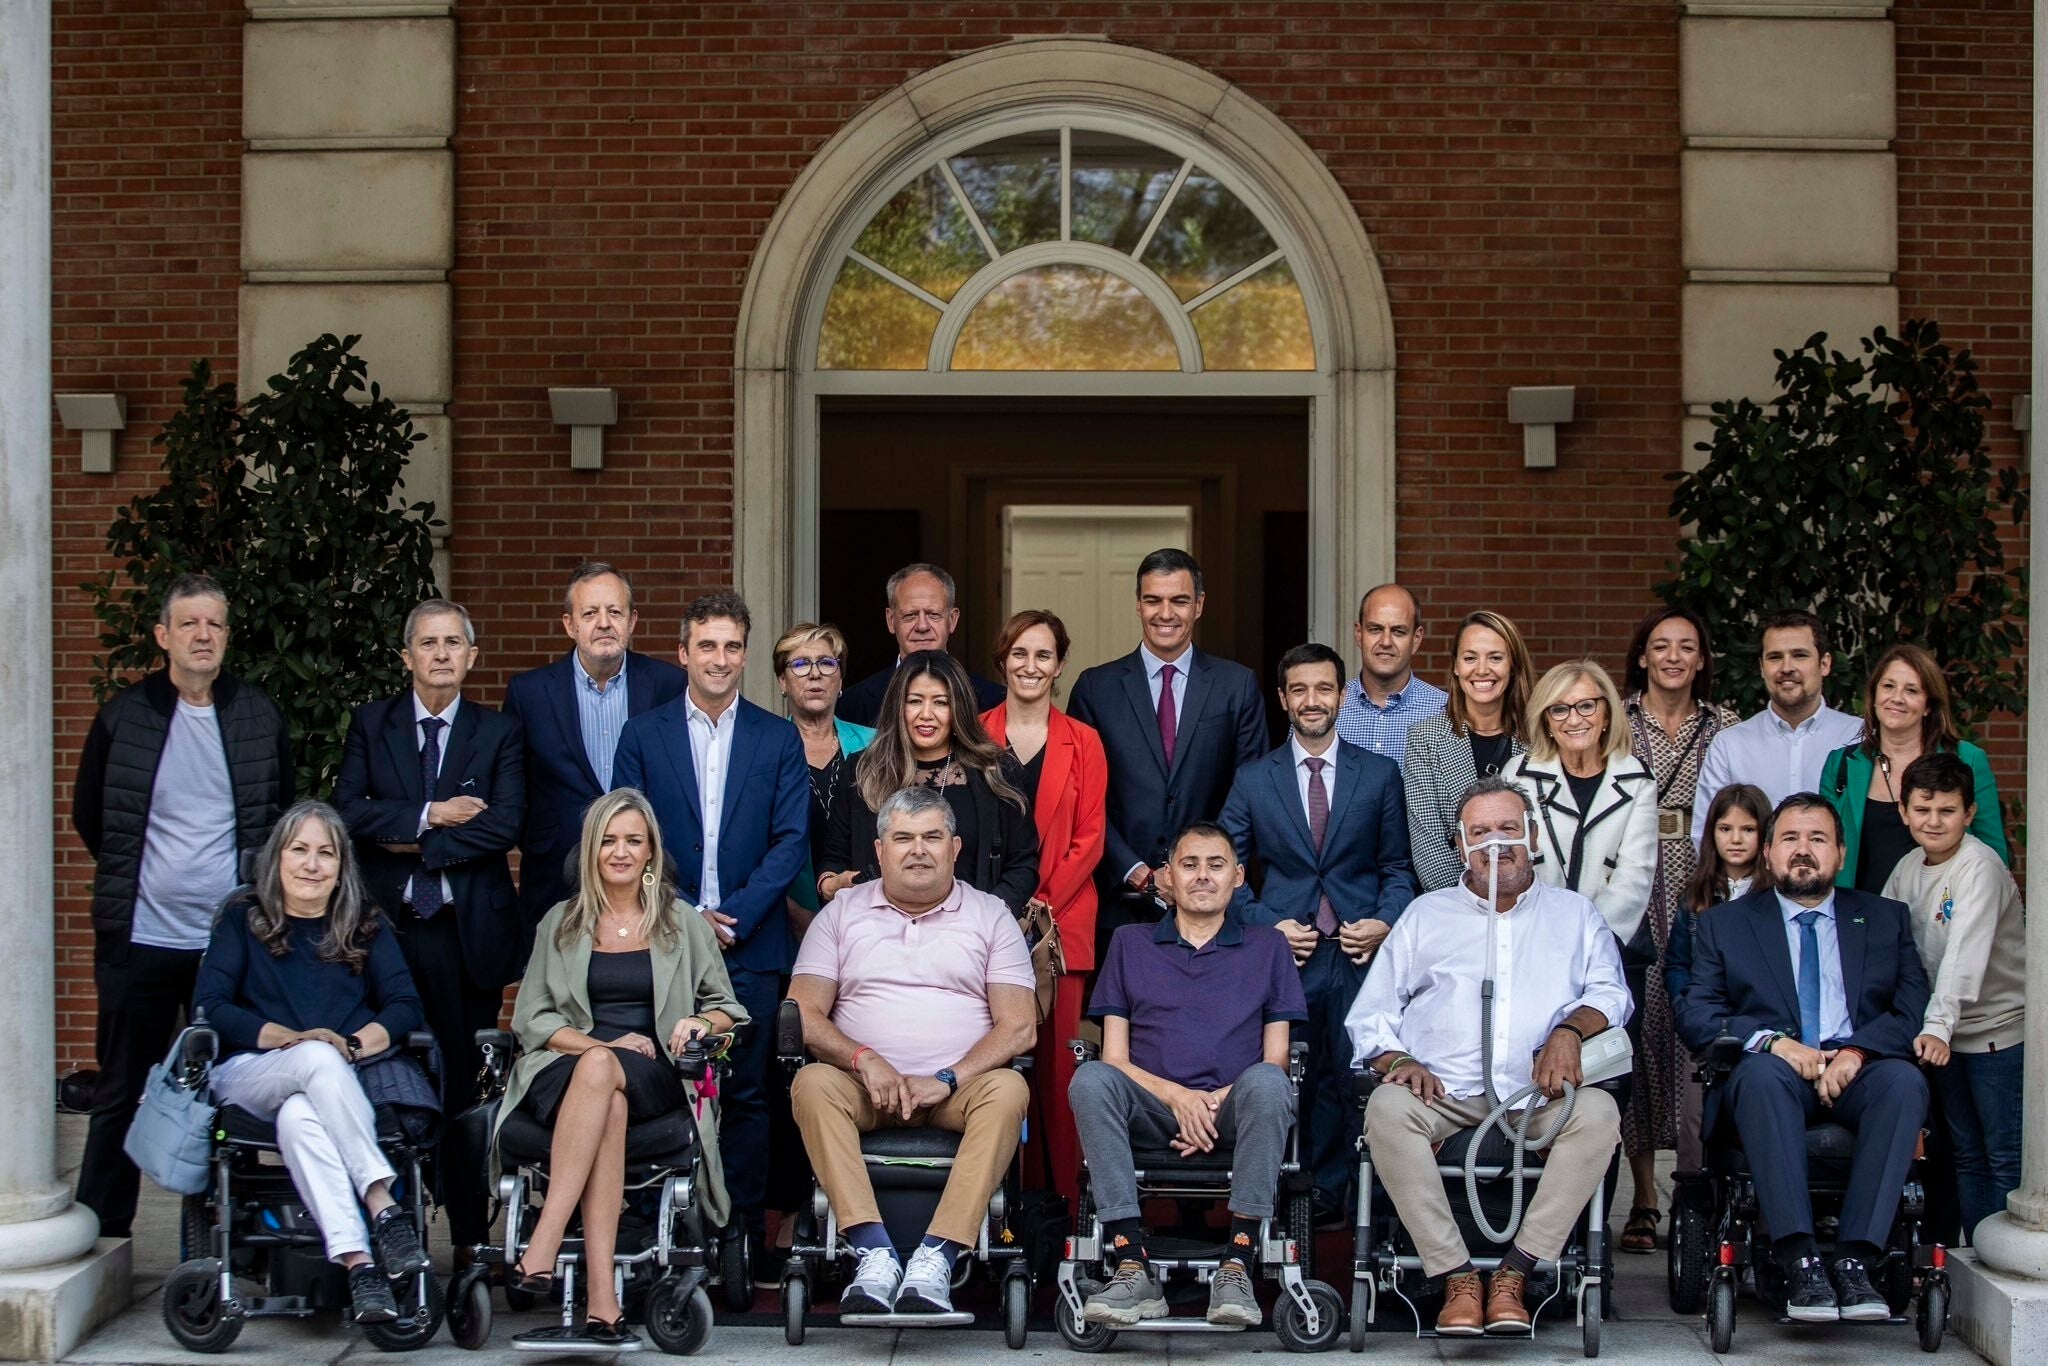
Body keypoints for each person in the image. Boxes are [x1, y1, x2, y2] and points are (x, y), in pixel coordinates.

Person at [1347, 778, 1629, 1336]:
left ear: (1532, 837)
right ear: (1459, 845)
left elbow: (1611, 993)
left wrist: (1569, 1031)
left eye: (1508, 829)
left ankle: (1515, 1275)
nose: (1495, 844)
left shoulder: (1575, 914)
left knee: (1599, 1117)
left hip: (1537, 1096)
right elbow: (1369, 1016)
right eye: (1479, 833)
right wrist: (1399, 1060)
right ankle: (1455, 1277)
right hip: (1444, 1095)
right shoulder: (1426, 915)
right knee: (1384, 1111)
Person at [71, 573, 294, 1239]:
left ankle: (229, 1242)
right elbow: (93, 818)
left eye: (215, 625)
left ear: (227, 637)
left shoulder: (257, 716)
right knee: (119, 1088)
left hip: (230, 943)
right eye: (189, 624)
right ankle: (101, 1231)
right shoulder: (124, 716)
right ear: (163, 636)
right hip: (139, 939)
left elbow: (275, 818)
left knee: (235, 1088)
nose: (203, 635)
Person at [496, 789, 746, 1345]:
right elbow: (531, 1019)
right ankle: (603, 1303)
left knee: (608, 1081)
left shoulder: (683, 922)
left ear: (652, 851)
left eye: (634, 840)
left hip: (653, 1070)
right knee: (602, 1085)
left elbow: (728, 1008)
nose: (621, 851)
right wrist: (595, 1049)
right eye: (608, 840)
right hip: (563, 1066)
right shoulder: (559, 923)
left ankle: (548, 1239)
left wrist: (699, 1026)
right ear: (590, 849)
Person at [1674, 794, 1930, 1325]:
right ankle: (1801, 1260)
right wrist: (1773, 1042)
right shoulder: (1727, 924)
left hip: (1858, 1072)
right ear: (1768, 853)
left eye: (1817, 839)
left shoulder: (1885, 919)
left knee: (1904, 1083)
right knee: (1763, 1076)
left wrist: (1856, 1052)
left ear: (1840, 852)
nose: (1803, 851)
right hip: (1776, 1073)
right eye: (1790, 839)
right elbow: (1697, 1014)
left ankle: (1858, 1262)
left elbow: (1910, 1011)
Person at [787, 786, 1038, 1315]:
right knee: (810, 1084)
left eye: (931, 837)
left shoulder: (991, 916)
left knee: (1010, 1087)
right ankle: (873, 1252)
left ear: (955, 847)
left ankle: (938, 1256)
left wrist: (948, 1077)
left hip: (957, 1091)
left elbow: (1019, 1028)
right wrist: (863, 1059)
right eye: (902, 837)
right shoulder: (841, 914)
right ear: (879, 851)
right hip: (863, 1088)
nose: (917, 849)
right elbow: (802, 1013)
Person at [613, 590, 808, 1261]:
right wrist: (685, 918)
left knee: (748, 1096)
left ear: (745, 656)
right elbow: (626, 838)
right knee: (656, 1084)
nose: (719, 659)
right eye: (707, 646)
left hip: (750, 946)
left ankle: (739, 1238)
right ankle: (650, 1230)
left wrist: (737, 916)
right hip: (664, 942)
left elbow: (789, 841)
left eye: (731, 647)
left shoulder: (776, 736)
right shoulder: (643, 735)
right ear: (683, 653)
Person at [191, 800, 431, 1325]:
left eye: (326, 853)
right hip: (251, 1070)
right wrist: (292, 1041)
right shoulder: (241, 920)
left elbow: (403, 1006)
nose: (312, 864)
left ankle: (361, 1265)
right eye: (299, 850)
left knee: (301, 1116)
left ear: (342, 865)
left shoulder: (364, 925)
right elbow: (213, 1006)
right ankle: (383, 1206)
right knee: (313, 1059)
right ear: (276, 858)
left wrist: (349, 1045)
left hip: (333, 1077)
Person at [333, 597, 525, 1248]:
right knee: (388, 1079)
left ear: (471, 657)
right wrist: (434, 815)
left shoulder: (498, 731)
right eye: (428, 643)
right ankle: (396, 1227)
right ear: (407, 655)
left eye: (453, 644)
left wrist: (410, 841)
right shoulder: (370, 724)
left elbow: (505, 823)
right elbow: (350, 816)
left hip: (464, 935)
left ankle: (470, 1239)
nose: (441, 654)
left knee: (465, 1086)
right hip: (385, 934)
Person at [1069, 822, 1307, 1329]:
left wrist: (1212, 1101)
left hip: (1234, 1110)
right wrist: (1179, 1098)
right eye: (1189, 864)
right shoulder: (1130, 944)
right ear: (1168, 877)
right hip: (1153, 1109)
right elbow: (1113, 1056)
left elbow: (1276, 1058)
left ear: (1238, 877)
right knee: (1089, 1080)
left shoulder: (1269, 947)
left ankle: (1238, 1262)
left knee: (1269, 1084)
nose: (1203, 876)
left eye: (1216, 865)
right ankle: (1131, 1262)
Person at [1220, 642, 1414, 1225]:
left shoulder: (1378, 773)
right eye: (1299, 690)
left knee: (1349, 1074)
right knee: (1287, 1075)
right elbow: (1226, 872)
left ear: (1341, 696)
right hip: (1287, 954)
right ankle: (1283, 1194)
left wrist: (1384, 922)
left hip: (1359, 952)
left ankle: (1342, 1199)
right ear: (1283, 699)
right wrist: (1268, 924)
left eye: (1324, 689)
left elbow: (1398, 868)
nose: (1312, 701)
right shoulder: (1254, 779)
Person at [1504, 659, 1657, 1246]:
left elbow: (1636, 878)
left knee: (1604, 1094)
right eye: (1561, 708)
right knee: (1534, 1088)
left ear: (1607, 711)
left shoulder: (1636, 780)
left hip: (1615, 959)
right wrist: (1550, 944)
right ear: (1545, 715)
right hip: (1531, 957)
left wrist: (1586, 949)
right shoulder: (1522, 775)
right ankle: (1535, 1236)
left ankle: (1592, 1249)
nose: (1575, 718)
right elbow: (1521, 870)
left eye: (1587, 705)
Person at [1067, 548, 1267, 954]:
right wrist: (1138, 872)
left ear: (1199, 605)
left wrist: (1203, 871)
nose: (1165, 613)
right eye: (1153, 600)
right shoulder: (1095, 689)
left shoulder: (1237, 685)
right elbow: (1083, 801)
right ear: (1138, 605)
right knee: (1121, 1018)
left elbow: (1250, 794)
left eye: (1179, 600)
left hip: (1213, 905)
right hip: (1120, 905)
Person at [1618, 607, 1739, 1249]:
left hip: (1703, 884)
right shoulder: (1617, 719)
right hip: (1632, 882)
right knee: (1637, 1030)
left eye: (1685, 647)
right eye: (1660, 645)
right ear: (1642, 656)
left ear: (1700, 659)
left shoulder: (1726, 727)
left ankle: (1697, 1182)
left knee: (1697, 1026)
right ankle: (1641, 1196)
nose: (1672, 656)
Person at [980, 610, 1108, 1207]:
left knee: (1060, 1074)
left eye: (1044, 655)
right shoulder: (975, 733)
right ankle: (1005, 1208)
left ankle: (1067, 1208)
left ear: (1059, 665)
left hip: (1061, 926)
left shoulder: (1082, 741)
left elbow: (1091, 838)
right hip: (985, 922)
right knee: (994, 1066)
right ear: (1003, 659)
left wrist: (1039, 904)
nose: (1031, 666)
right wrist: (1000, 907)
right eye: (1020, 653)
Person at [767, 620, 872, 1282]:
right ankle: (786, 1212)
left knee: (849, 1068)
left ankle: (855, 1211)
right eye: (799, 663)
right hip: (781, 927)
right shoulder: (763, 746)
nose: (814, 673)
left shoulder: (873, 747)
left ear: (841, 676)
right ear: (781, 681)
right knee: (785, 1071)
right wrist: (799, 914)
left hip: (860, 938)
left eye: (826, 662)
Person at [1884, 753, 2026, 1239]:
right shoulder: (1906, 869)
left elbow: (1965, 954)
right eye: (1922, 809)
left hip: (1996, 1036)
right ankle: (1973, 1256)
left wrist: (1938, 1025)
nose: (1933, 821)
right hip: (1939, 1037)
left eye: (1947, 811)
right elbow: (1888, 944)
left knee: (2002, 1155)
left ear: (1969, 813)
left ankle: (1997, 1255)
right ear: (1903, 812)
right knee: (1964, 1152)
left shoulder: (1979, 867)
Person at [503, 562, 685, 926]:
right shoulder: (530, 693)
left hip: (647, 876)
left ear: (632, 621)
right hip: (554, 875)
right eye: (590, 613)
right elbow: (514, 789)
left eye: (614, 611)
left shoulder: (670, 686)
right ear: (570, 624)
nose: (604, 622)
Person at [818, 649, 1040, 914]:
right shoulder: (862, 770)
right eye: (914, 701)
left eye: (940, 702)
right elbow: (833, 859)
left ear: (958, 708)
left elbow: (1022, 865)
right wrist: (830, 886)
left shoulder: (996, 771)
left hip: (972, 937)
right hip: (879, 938)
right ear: (898, 706)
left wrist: (987, 919)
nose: (926, 714)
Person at [1819, 642, 2008, 894]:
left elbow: (1993, 856)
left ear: (1928, 705)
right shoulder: (1840, 764)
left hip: (1943, 917)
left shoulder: (1967, 759)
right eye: (1888, 686)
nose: (1896, 698)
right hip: (1861, 919)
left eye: (1911, 690)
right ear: (1874, 695)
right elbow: (1823, 847)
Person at [1665, 783, 1774, 1171]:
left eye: (1747, 829)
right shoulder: (1696, 895)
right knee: (1697, 1117)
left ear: (1765, 835)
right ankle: (1693, 1202)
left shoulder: (1775, 895)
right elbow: (1677, 964)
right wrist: (1686, 1005)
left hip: (1766, 1024)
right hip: (1710, 1026)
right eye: (1725, 829)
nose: (1736, 839)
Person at [1689, 611, 1862, 846]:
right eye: (1775, 657)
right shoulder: (1730, 745)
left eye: (1799, 655)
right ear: (1762, 667)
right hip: (1753, 884)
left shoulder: (1858, 737)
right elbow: (1707, 836)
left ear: (1824, 664)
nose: (1786, 667)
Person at [1402, 610, 1534, 891]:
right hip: (1454, 906)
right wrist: (1474, 903)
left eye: (1495, 658)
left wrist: (1518, 900)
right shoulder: (1426, 740)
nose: (1482, 669)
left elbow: (1544, 838)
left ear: (1513, 665)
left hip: (1531, 906)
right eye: (1470, 658)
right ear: (1456, 667)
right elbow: (1429, 850)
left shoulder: (1538, 739)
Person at [834, 563, 1005, 727]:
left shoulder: (994, 700)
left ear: (952, 620)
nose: (922, 626)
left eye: (933, 614)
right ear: (891, 620)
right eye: (910, 615)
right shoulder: (852, 705)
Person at [1334, 584, 1446, 765]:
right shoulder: (1327, 707)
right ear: (1359, 634)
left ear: (1416, 639)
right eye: (1375, 629)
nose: (1386, 642)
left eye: (1398, 631)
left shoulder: (1445, 711)